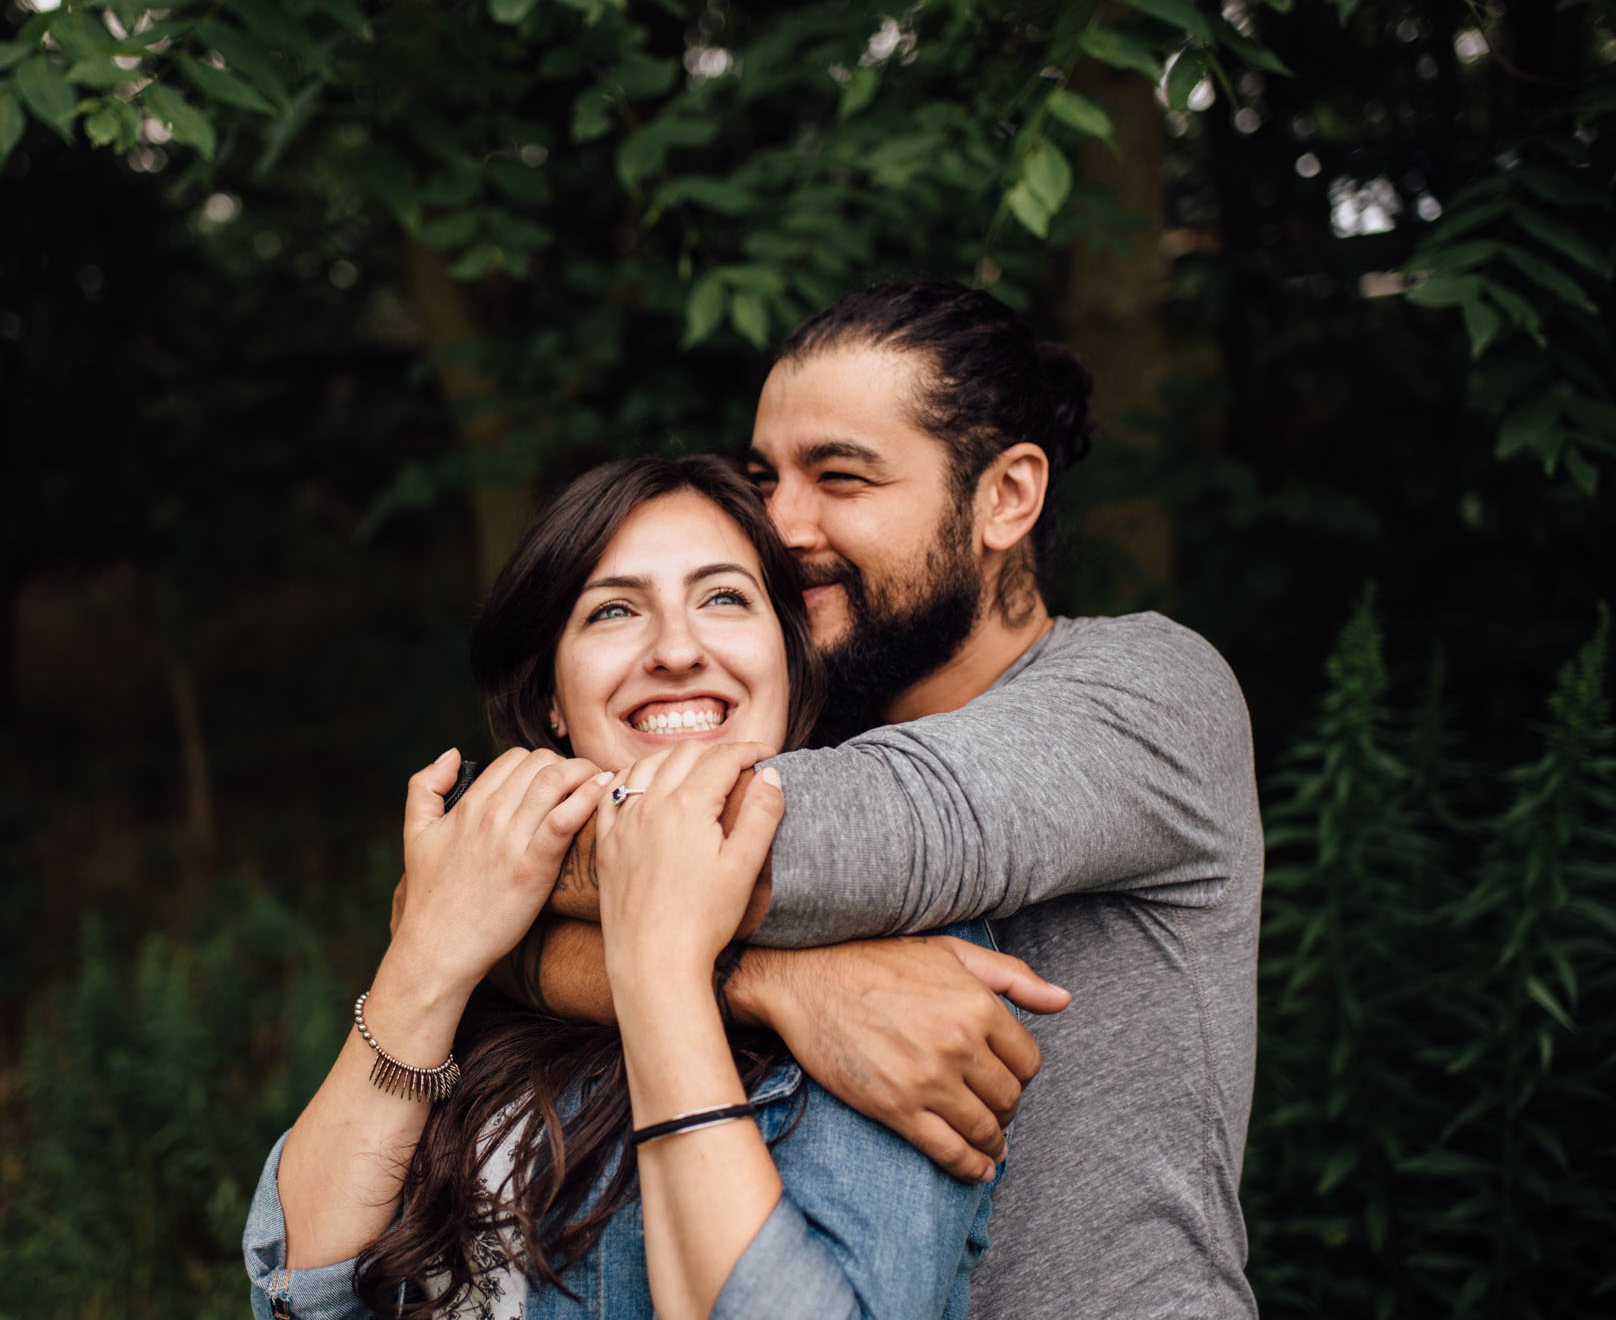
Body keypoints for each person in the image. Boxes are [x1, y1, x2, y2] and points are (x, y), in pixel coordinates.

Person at [514, 281, 1264, 1318]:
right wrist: (780, 989)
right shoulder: (790, 737)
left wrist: (491, 871)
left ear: (1004, 495)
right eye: (765, 476)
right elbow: (488, 905)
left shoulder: (1146, 696)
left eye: (839, 477)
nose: (778, 525)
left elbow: (545, 866)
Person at [242, 455, 1030, 1320]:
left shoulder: (892, 952)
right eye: (615, 609)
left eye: (724, 597)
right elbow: (304, 1295)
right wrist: (427, 956)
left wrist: (665, 964)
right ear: (550, 696)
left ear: (793, 663)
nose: (678, 649)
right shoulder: (498, 929)